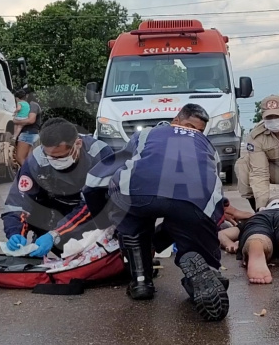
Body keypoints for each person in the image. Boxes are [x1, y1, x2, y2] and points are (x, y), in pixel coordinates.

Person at [83, 104, 230, 321]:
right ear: (176, 120)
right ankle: (203, 266)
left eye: (198, 130)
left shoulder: (145, 135)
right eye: (191, 127)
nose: (193, 132)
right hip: (195, 199)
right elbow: (214, 188)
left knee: (130, 210)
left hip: (138, 194)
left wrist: (104, 219)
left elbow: (95, 181)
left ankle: (141, 279)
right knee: (187, 217)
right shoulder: (206, 144)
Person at [2, 118, 115, 257]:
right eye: (49, 157)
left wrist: (56, 234)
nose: (54, 162)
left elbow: (94, 205)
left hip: (93, 219)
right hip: (56, 214)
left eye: (60, 157)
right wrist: (15, 233)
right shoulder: (37, 160)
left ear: (77, 144)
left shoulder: (99, 155)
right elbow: (18, 202)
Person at [13, 90, 42, 166]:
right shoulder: (31, 105)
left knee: (19, 157)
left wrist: (16, 121)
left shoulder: (32, 105)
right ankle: (32, 174)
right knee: (29, 159)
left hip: (28, 133)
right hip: (33, 133)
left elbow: (31, 120)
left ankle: (29, 173)